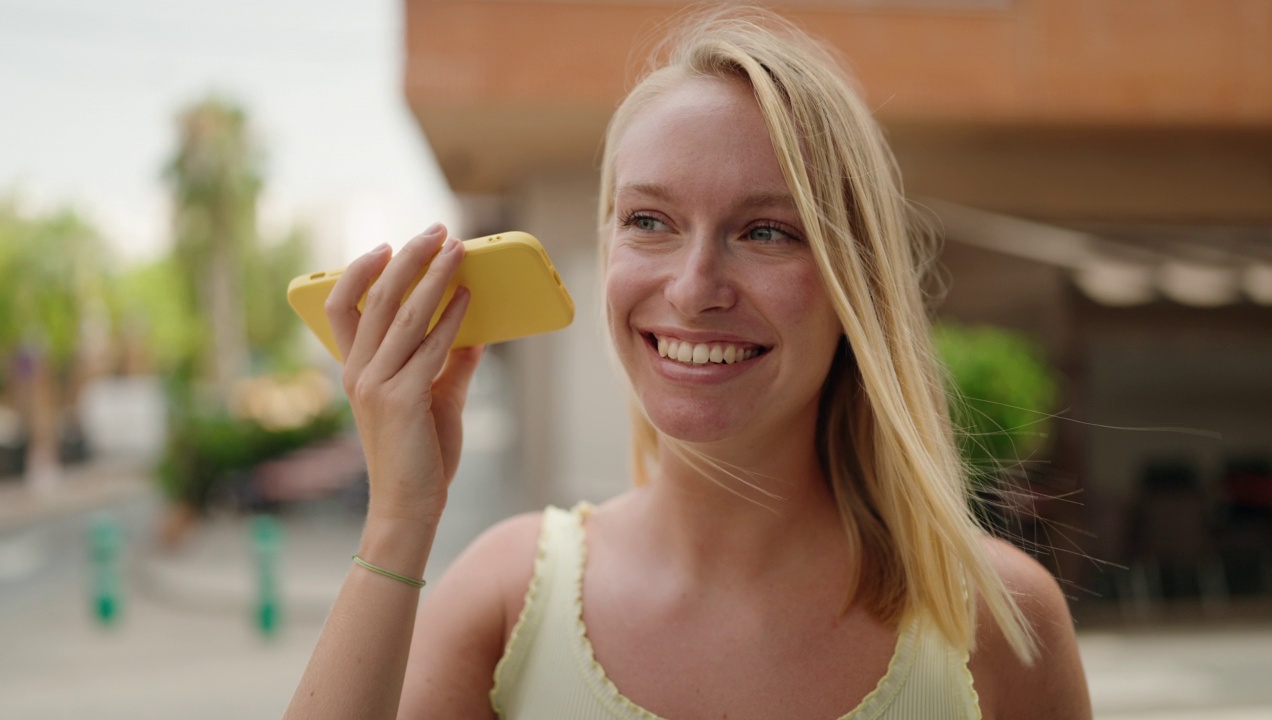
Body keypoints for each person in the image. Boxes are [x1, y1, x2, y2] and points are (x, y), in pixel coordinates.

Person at [285, 9, 1091, 720]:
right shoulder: (507, 600)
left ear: (859, 283)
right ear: (607, 250)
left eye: (766, 231)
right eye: (650, 220)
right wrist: (398, 521)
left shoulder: (998, 617)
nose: (694, 287)